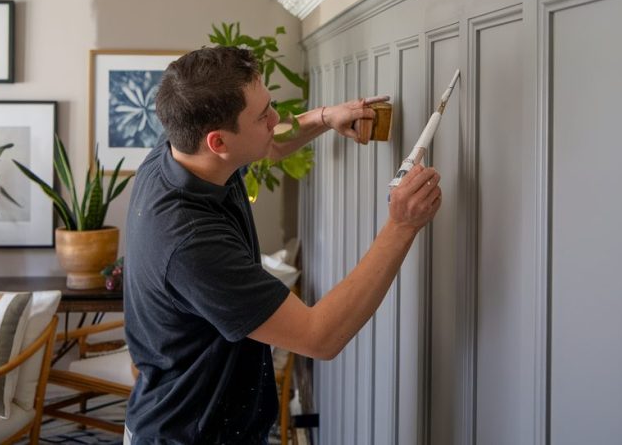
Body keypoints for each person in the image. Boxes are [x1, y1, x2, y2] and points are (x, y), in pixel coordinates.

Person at [124, 46, 442, 444]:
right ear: (218, 142)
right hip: (190, 434)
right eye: (263, 116)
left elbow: (267, 143)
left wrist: (326, 118)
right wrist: (401, 225)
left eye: (269, 106)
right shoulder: (190, 242)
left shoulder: (181, 147)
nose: (275, 119)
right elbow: (319, 336)